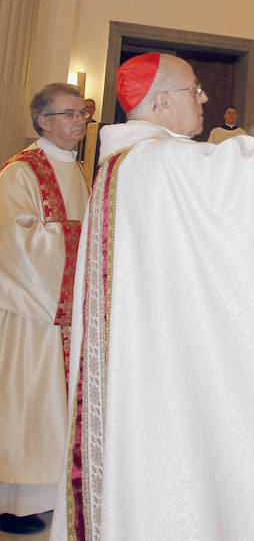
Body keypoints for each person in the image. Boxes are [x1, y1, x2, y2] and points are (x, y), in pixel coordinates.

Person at [51, 53, 254, 541]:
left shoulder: (128, 163)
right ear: (163, 100)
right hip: (155, 379)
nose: (204, 99)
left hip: (139, 366)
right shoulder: (160, 162)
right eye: (195, 90)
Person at [0, 84, 89, 535]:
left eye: (83, 113)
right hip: (32, 316)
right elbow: (14, 244)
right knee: (29, 405)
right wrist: (84, 242)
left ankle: (51, 491)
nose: (80, 121)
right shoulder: (18, 173)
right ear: (43, 121)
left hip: (65, 313)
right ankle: (15, 499)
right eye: (71, 113)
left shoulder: (78, 171)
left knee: (57, 406)